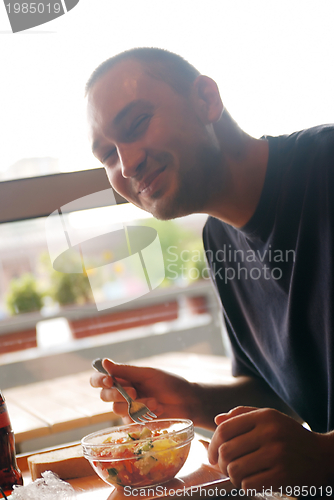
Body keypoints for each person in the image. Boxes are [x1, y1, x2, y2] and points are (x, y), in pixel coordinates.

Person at [86, 47, 334, 492]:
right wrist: (193, 400)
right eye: (107, 154)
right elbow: (285, 393)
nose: (127, 164)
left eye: (137, 123)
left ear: (206, 99)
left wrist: (327, 457)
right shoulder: (219, 239)